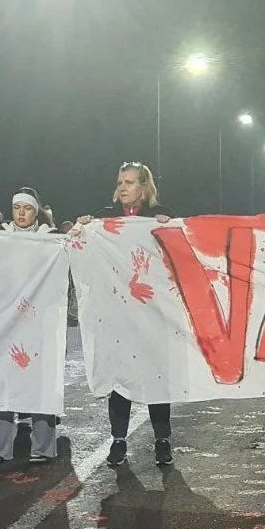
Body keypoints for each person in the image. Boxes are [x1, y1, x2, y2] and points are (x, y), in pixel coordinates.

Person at [76, 162, 176, 467]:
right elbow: (84, 253)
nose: (122, 188)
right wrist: (82, 229)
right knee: (119, 376)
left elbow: (175, 257)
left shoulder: (159, 216)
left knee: (156, 377)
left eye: (129, 182)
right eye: (120, 182)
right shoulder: (104, 218)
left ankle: (162, 440)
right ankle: (118, 440)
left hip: (151, 313)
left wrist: (168, 228)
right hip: (117, 313)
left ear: (143, 187)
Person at [0, 187, 62, 464]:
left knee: (41, 381)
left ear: (35, 212)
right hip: (6, 323)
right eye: (16, 207)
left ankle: (42, 447)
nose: (21, 213)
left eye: (27, 208)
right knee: (1, 380)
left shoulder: (50, 240)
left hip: (39, 322)